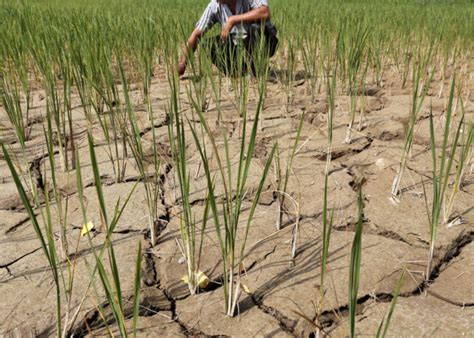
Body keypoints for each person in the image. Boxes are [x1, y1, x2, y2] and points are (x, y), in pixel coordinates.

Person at [178, 0, 278, 77]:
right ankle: (239, 72)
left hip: (265, 41)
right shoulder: (215, 5)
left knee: (255, 29)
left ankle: (257, 69)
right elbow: (196, 35)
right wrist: (183, 63)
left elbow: (264, 12)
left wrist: (233, 20)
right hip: (239, 45)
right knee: (209, 45)